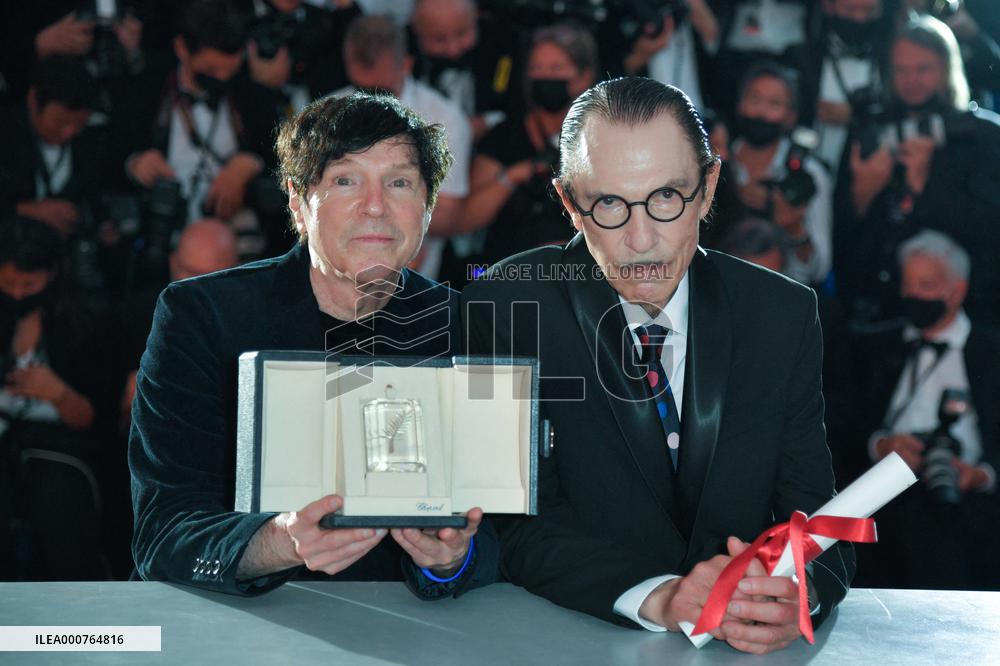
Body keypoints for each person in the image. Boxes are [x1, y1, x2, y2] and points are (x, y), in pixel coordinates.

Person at [461, 77, 853, 654]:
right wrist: (658, 596)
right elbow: (509, 525)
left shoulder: (782, 313)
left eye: (667, 196)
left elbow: (821, 521)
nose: (643, 240)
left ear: (710, 184)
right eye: (609, 204)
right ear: (570, 204)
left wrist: (802, 591)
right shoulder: (504, 307)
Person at [129, 91, 495, 597]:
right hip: (228, 625)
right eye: (346, 180)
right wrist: (280, 542)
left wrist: (451, 558)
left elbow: (505, 527)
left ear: (428, 209)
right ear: (299, 204)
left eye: (400, 183)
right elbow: (163, 532)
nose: (375, 206)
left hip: (406, 633)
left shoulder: (465, 327)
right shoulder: (203, 318)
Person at [853, 230, 1000, 589]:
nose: (914, 296)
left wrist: (980, 475)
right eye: (909, 285)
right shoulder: (873, 347)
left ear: (957, 291)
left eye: (928, 285)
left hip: (968, 504)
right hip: (885, 494)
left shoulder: (992, 352)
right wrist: (882, 446)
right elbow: (842, 423)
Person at [835, 14, 1000, 328]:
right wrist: (863, 190)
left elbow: (991, 229)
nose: (911, 80)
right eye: (901, 70)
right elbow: (839, 230)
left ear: (947, 69)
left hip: (966, 314)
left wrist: (925, 187)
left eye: (923, 69)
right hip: (878, 311)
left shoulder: (983, 135)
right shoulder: (870, 132)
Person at [0, 216, 115, 580]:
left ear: (50, 277)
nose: (17, 293)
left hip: (58, 449)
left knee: (56, 499)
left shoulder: (81, 322)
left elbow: (96, 418)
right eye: (8, 283)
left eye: (28, 284)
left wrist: (56, 392)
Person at [454, 21, 597, 286]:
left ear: (583, 76)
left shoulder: (600, 135)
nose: (544, 77)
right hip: (510, 273)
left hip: (582, 276)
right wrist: (515, 176)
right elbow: (465, 219)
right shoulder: (505, 136)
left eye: (556, 68)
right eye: (536, 68)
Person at [334, 13, 471, 278]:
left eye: (382, 91)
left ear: (406, 65)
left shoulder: (445, 119)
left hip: (415, 279)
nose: (370, 103)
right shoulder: (325, 115)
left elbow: (447, 216)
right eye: (361, 89)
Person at [721, 62, 833, 286]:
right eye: (754, 99)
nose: (761, 112)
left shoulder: (808, 173)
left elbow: (818, 269)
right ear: (740, 104)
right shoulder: (716, 164)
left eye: (774, 104)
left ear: (790, 116)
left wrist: (794, 229)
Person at [0, 56, 109, 235]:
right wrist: (22, 210)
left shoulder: (93, 140)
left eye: (79, 124)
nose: (68, 132)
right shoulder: (6, 132)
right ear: (33, 100)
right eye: (60, 122)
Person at [409, 0, 525, 142]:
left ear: (476, 17)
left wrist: (487, 122)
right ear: (417, 31)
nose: (453, 49)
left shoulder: (504, 47)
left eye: (461, 34)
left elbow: (517, 108)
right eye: (439, 39)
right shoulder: (402, 55)